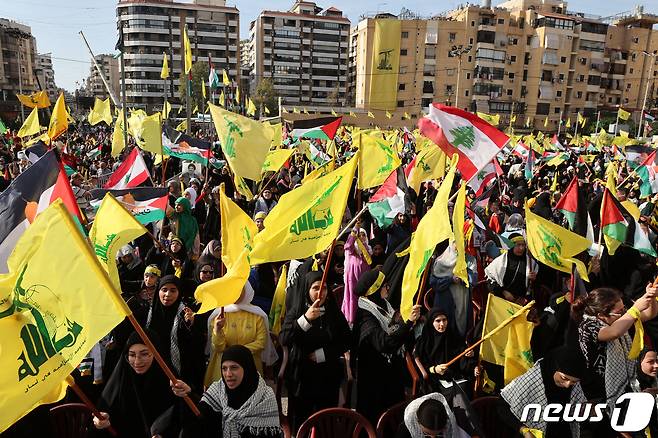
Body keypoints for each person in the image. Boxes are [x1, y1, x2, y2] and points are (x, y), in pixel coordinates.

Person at [279, 270, 351, 432]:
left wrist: (324, 354)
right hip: (302, 376)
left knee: (325, 423)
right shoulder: (297, 310)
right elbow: (284, 339)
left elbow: (346, 341)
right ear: (307, 290)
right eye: (315, 288)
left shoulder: (333, 312)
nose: (320, 293)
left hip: (327, 375)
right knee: (301, 422)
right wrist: (305, 320)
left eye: (324, 288)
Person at [165, 345, 283, 438]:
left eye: (234, 368)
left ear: (247, 368)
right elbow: (201, 417)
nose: (228, 374)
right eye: (224, 368)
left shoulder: (265, 397)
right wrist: (189, 394)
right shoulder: (217, 390)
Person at [352, 270, 421, 425]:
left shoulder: (383, 305)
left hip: (390, 373)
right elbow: (384, 343)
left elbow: (394, 328)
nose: (388, 288)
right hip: (374, 378)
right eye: (385, 286)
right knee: (376, 419)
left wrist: (405, 322)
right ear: (374, 290)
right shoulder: (365, 316)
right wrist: (407, 323)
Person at [94, 331, 176, 437]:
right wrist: (101, 421)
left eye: (144, 354)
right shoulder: (122, 377)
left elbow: (180, 420)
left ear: (157, 354)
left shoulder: (171, 383)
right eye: (132, 355)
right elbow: (103, 413)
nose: (137, 362)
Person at [498, 344, 587, 438]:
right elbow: (502, 406)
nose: (568, 384)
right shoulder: (533, 379)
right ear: (555, 369)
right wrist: (524, 430)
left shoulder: (575, 383)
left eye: (573, 382)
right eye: (564, 378)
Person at [413, 308, 478, 435]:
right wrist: (434, 369)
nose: (442, 324)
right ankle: (465, 429)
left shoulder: (453, 336)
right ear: (431, 322)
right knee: (458, 393)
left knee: (462, 388)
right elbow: (420, 365)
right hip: (435, 381)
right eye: (438, 321)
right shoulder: (424, 341)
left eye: (444, 320)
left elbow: (462, 363)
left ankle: (461, 429)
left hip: (455, 377)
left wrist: (469, 356)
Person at [204, 282, 277, 386]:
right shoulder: (219, 314)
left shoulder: (257, 314)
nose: (234, 294)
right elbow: (218, 348)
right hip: (223, 370)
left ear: (246, 291)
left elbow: (261, 343)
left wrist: (237, 353)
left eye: (238, 290)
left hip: (250, 367)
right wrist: (217, 329)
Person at [146, 275, 205, 388]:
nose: (168, 294)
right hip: (152, 368)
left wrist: (192, 325)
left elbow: (196, 347)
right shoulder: (148, 313)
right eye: (164, 290)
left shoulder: (186, 314)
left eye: (173, 290)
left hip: (178, 375)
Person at [485, 232, 538, 304]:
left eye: (523, 245)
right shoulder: (500, 261)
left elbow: (535, 287)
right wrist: (503, 292)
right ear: (511, 246)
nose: (521, 248)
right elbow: (489, 280)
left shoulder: (531, 263)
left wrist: (534, 279)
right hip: (501, 299)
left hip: (522, 301)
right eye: (518, 245)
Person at [396, 393, 471, 438]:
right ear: (418, 421)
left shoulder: (447, 423)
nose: (433, 437)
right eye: (427, 433)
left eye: (438, 434)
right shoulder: (405, 430)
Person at [342, 228, 372, 325]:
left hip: (364, 276)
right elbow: (348, 245)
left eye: (363, 235)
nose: (362, 237)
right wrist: (355, 230)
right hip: (353, 277)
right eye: (359, 235)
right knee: (353, 296)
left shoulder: (367, 249)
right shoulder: (352, 250)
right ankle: (352, 318)